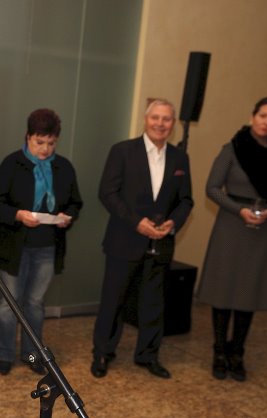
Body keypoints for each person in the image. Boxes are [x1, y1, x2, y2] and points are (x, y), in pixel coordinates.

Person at [91, 99, 193, 380]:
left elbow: (186, 200)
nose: (160, 124)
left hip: (161, 242)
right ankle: (102, 353)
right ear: (145, 120)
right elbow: (107, 192)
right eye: (155, 117)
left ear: (173, 124)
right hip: (124, 240)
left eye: (166, 119)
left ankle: (148, 355)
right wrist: (136, 222)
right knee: (113, 301)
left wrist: (173, 223)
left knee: (153, 303)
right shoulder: (122, 151)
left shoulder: (180, 158)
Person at [196, 96, 267, 382]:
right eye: (263, 116)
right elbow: (212, 188)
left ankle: (237, 351)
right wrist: (239, 210)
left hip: (261, 228)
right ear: (253, 116)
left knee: (249, 292)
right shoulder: (233, 148)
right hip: (231, 223)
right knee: (224, 289)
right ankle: (218, 351)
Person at [0, 108, 83, 376]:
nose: (45, 149)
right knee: (9, 304)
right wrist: (18, 215)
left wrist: (68, 217)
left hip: (47, 247)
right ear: (28, 136)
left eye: (51, 143)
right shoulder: (12, 164)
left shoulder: (64, 167)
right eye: (39, 142)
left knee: (35, 304)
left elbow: (76, 203)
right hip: (13, 247)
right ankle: (4, 354)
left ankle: (32, 354)